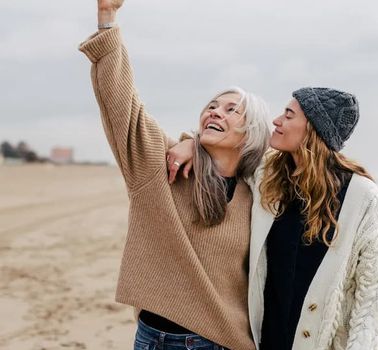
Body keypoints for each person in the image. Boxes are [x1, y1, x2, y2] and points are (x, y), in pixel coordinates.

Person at [79, 1, 271, 349]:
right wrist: (107, 19)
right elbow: (123, 104)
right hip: (152, 339)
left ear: (250, 133)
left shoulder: (259, 193)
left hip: (220, 341)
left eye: (232, 110)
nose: (216, 112)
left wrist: (194, 142)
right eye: (212, 106)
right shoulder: (162, 165)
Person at [169, 87, 378, 349]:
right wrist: (189, 143)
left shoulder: (364, 198)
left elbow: (373, 296)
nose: (276, 121)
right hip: (263, 339)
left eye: (288, 115)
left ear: (312, 129)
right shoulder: (266, 174)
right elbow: (224, 146)